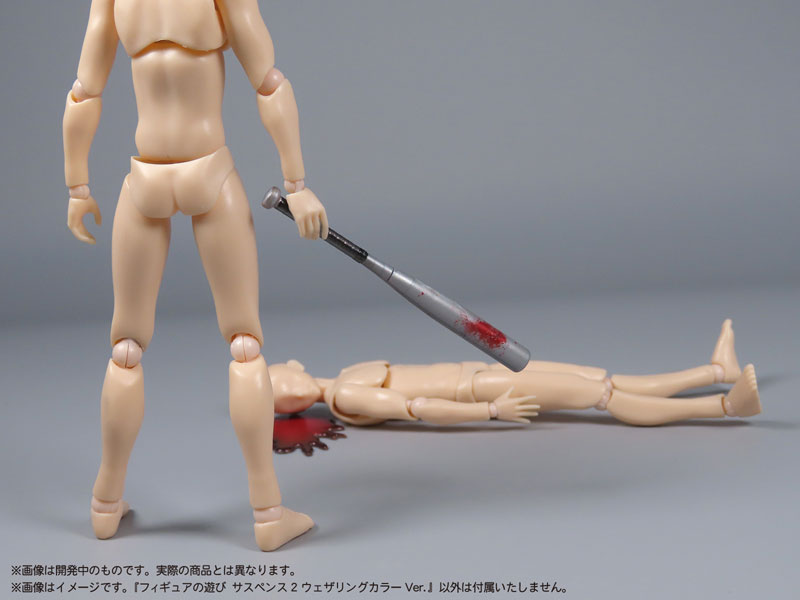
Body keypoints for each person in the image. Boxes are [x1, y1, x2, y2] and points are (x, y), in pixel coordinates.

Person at [63, 0, 326, 551]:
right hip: (209, 173)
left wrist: (78, 186)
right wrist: (297, 184)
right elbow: (269, 82)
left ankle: (104, 505)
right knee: (245, 344)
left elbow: (84, 92)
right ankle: (267, 513)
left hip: (145, 180)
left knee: (126, 348)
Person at [269, 320, 761, 427]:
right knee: (599, 396)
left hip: (482, 371)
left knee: (603, 380)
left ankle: (714, 370)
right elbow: (415, 408)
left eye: (276, 379)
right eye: (274, 397)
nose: (286, 391)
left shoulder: (347, 374)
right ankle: (722, 406)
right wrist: (490, 410)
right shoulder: (347, 394)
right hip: (480, 387)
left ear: (292, 366)